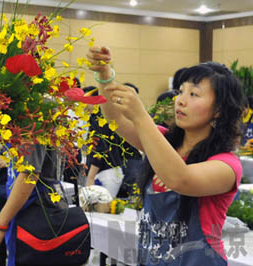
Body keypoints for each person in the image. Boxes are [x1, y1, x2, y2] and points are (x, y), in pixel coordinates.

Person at [87, 46, 245, 265]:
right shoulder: (162, 141)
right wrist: (105, 78)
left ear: (218, 110)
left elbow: (181, 179)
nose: (180, 100)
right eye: (180, 92)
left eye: (194, 94)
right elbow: (116, 121)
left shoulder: (226, 165)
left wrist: (142, 117)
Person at [0, 145, 60, 266]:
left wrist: (0, 225)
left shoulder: (31, 128)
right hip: (18, 212)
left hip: (34, 214)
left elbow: (29, 174)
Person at [85, 85, 142, 198]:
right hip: (110, 170)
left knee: (99, 211)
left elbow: (100, 148)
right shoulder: (100, 117)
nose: (84, 106)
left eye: (86, 101)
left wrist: (91, 176)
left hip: (106, 173)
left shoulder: (100, 120)